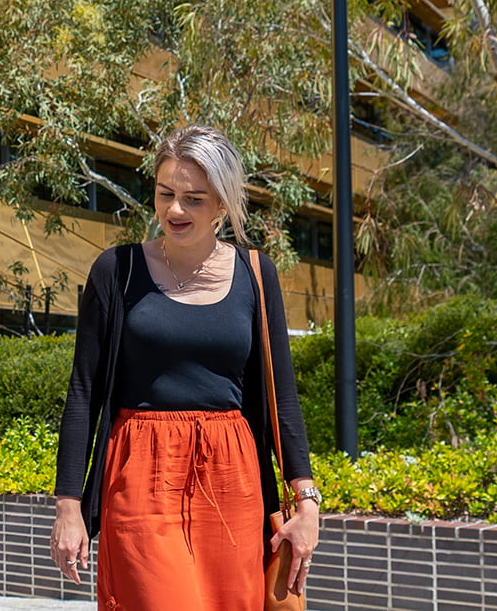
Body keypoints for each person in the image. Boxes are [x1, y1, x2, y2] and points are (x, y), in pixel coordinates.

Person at [47, 126, 321, 610]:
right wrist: (68, 505)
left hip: (233, 481)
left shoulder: (256, 274)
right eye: (165, 194)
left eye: (194, 198)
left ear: (222, 204)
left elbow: (284, 396)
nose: (175, 210)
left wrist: (307, 499)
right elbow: (83, 391)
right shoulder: (117, 269)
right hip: (139, 475)